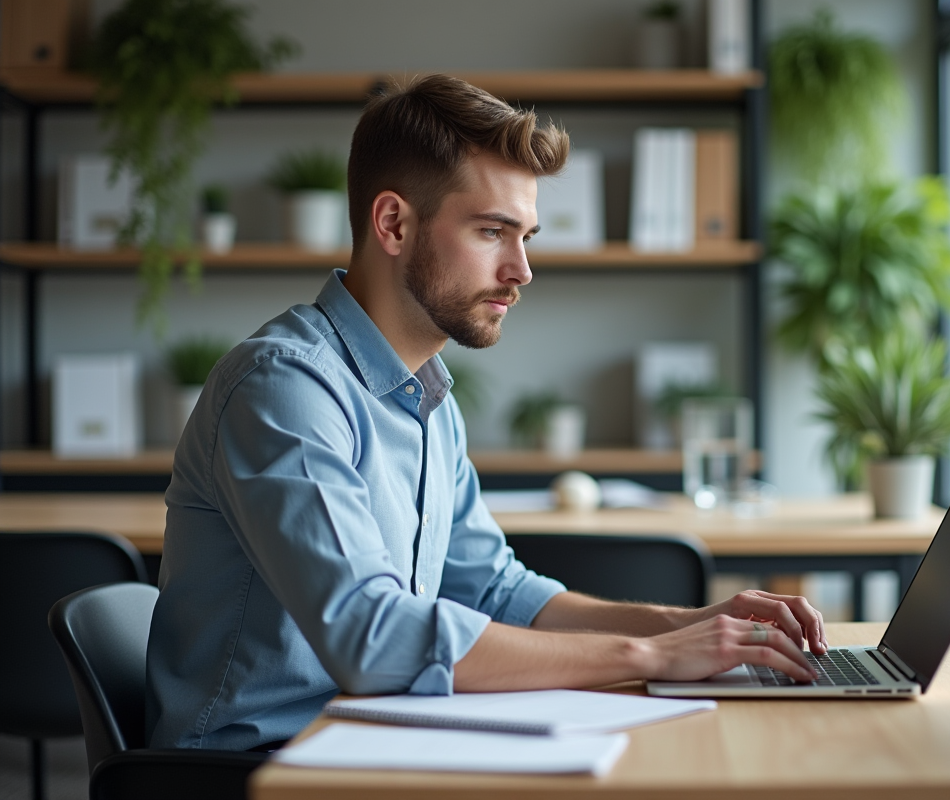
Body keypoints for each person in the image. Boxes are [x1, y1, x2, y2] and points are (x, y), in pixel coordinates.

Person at [146, 74, 826, 752]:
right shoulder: (285, 389)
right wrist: (649, 659)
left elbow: (499, 594)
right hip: (260, 770)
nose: (523, 269)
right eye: (492, 231)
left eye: (526, 235)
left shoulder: (429, 402)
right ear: (393, 223)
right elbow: (369, 635)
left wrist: (692, 625)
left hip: (374, 742)